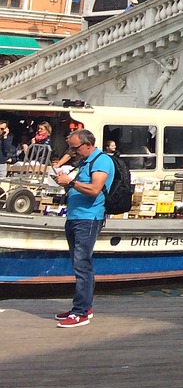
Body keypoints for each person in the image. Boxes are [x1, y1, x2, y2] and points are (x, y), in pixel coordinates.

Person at [54, 129, 114, 327]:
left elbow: (95, 189)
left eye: (75, 148)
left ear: (88, 144)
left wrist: (70, 182)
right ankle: (81, 307)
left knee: (82, 264)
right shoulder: (85, 162)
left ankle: (81, 312)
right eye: (70, 149)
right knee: (78, 263)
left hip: (88, 219)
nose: (72, 152)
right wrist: (65, 183)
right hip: (75, 217)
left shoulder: (102, 161)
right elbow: (78, 187)